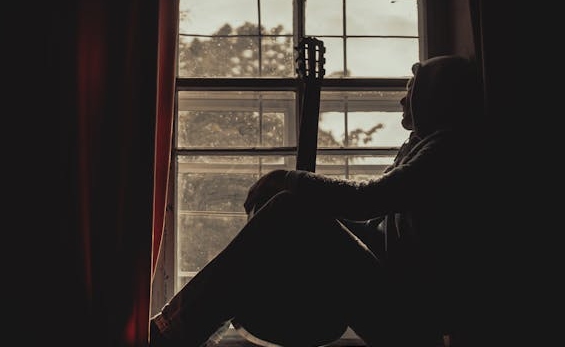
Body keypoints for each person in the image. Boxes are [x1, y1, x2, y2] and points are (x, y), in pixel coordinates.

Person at [149, 54, 492, 347]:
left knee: (289, 207)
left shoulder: (449, 148)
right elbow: (373, 224)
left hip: (413, 318)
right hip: (403, 300)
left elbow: (369, 200)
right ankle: (188, 325)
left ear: (435, 96)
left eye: (411, 90)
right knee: (290, 208)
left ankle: (174, 327)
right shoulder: (431, 146)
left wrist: (291, 181)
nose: (402, 100)